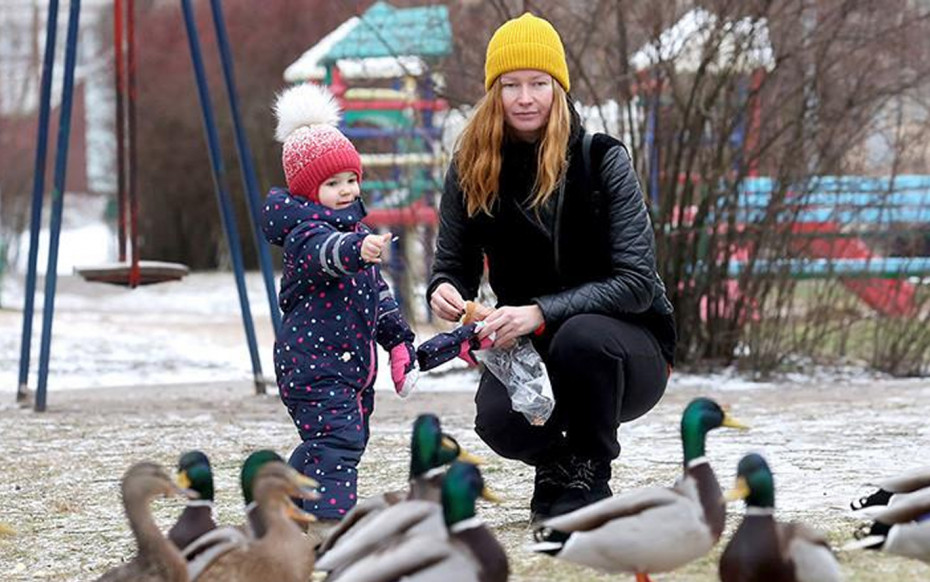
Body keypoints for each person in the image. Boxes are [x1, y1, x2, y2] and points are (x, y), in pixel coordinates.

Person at [427, 13, 677, 522]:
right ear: (493, 92)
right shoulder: (471, 165)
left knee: (579, 336)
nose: (525, 98)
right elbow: (453, 262)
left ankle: (591, 468)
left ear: (557, 88)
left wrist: (540, 312)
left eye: (539, 84)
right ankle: (558, 467)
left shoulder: (601, 159)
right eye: (511, 85)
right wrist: (445, 289)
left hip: (627, 351)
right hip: (529, 346)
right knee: (497, 421)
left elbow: (635, 283)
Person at [262, 83, 418, 525]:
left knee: (332, 444)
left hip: (348, 367)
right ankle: (331, 528)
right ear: (310, 191)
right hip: (314, 366)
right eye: (333, 183)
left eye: (351, 179)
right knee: (339, 444)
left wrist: (398, 340)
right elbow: (326, 254)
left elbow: (377, 296)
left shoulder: (354, 230)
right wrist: (356, 250)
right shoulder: (305, 235)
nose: (347, 190)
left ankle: (281, 508)